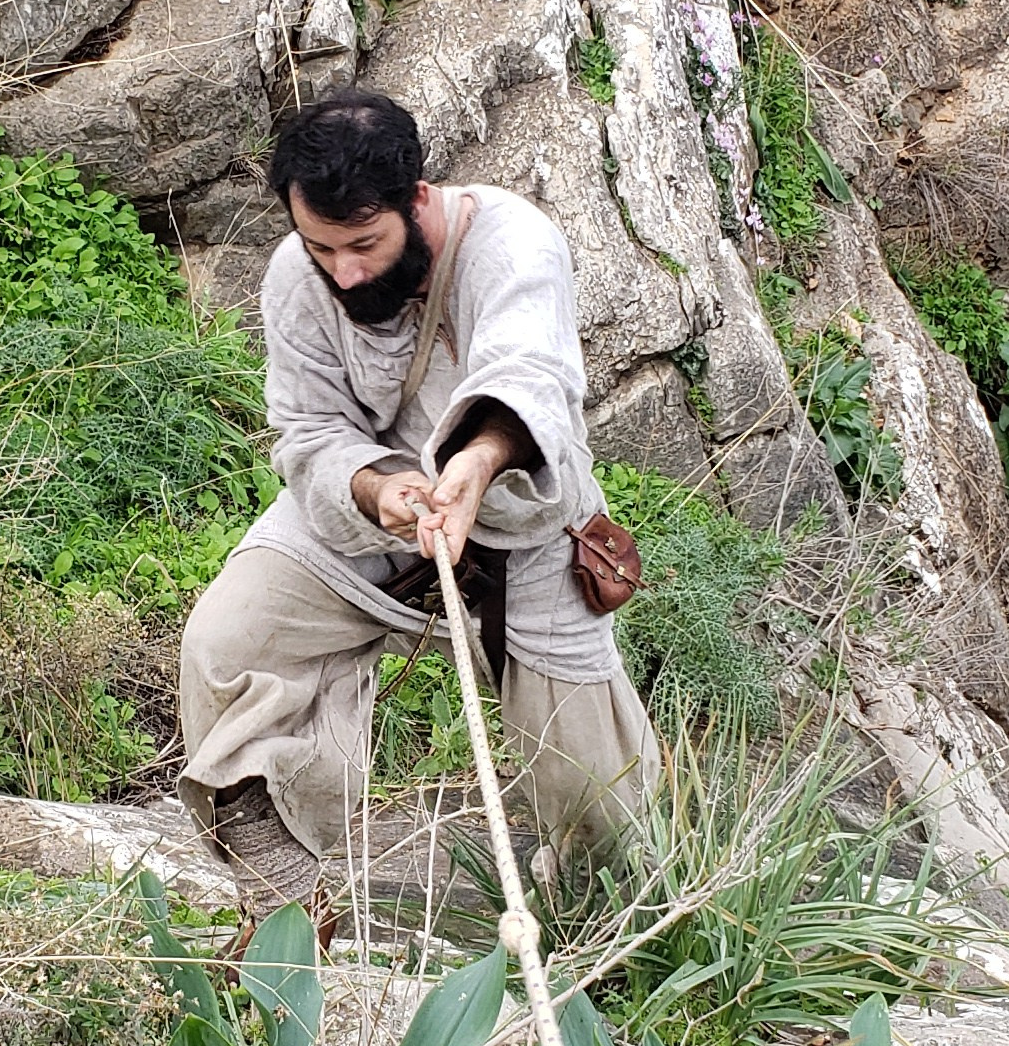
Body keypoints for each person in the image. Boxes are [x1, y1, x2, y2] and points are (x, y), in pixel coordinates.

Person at [179, 84, 661, 895]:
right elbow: (308, 429)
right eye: (321, 247)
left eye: (365, 241)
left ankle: (605, 927)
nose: (346, 268)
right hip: (363, 515)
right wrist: (379, 490)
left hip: (526, 520)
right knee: (227, 642)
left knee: (599, 801)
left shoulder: (513, 244)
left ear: (418, 200)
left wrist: (471, 469)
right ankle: (288, 887)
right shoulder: (297, 274)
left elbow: (528, 379)